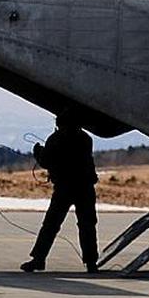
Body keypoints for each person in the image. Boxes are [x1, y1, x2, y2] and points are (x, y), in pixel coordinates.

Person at [21, 110, 100, 273]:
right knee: (87, 225)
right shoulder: (86, 139)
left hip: (64, 187)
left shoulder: (56, 139)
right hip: (85, 187)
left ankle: (38, 259)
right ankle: (91, 263)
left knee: (51, 224)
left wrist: (37, 152)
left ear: (60, 124)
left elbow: (46, 161)